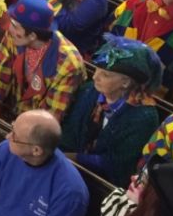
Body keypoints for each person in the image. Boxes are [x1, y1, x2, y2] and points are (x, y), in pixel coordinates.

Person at [60, 36, 165, 187]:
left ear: (126, 82)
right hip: (71, 167)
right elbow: (70, 132)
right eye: (97, 70)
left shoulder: (144, 116)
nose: (95, 77)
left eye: (106, 75)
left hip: (102, 183)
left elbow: (118, 164)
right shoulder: (90, 90)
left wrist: (75, 158)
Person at [0, 0, 85, 120]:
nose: (9, 28)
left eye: (14, 25)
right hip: (6, 116)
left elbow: (50, 118)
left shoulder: (69, 65)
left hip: (34, 131)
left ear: (32, 36)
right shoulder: (14, 36)